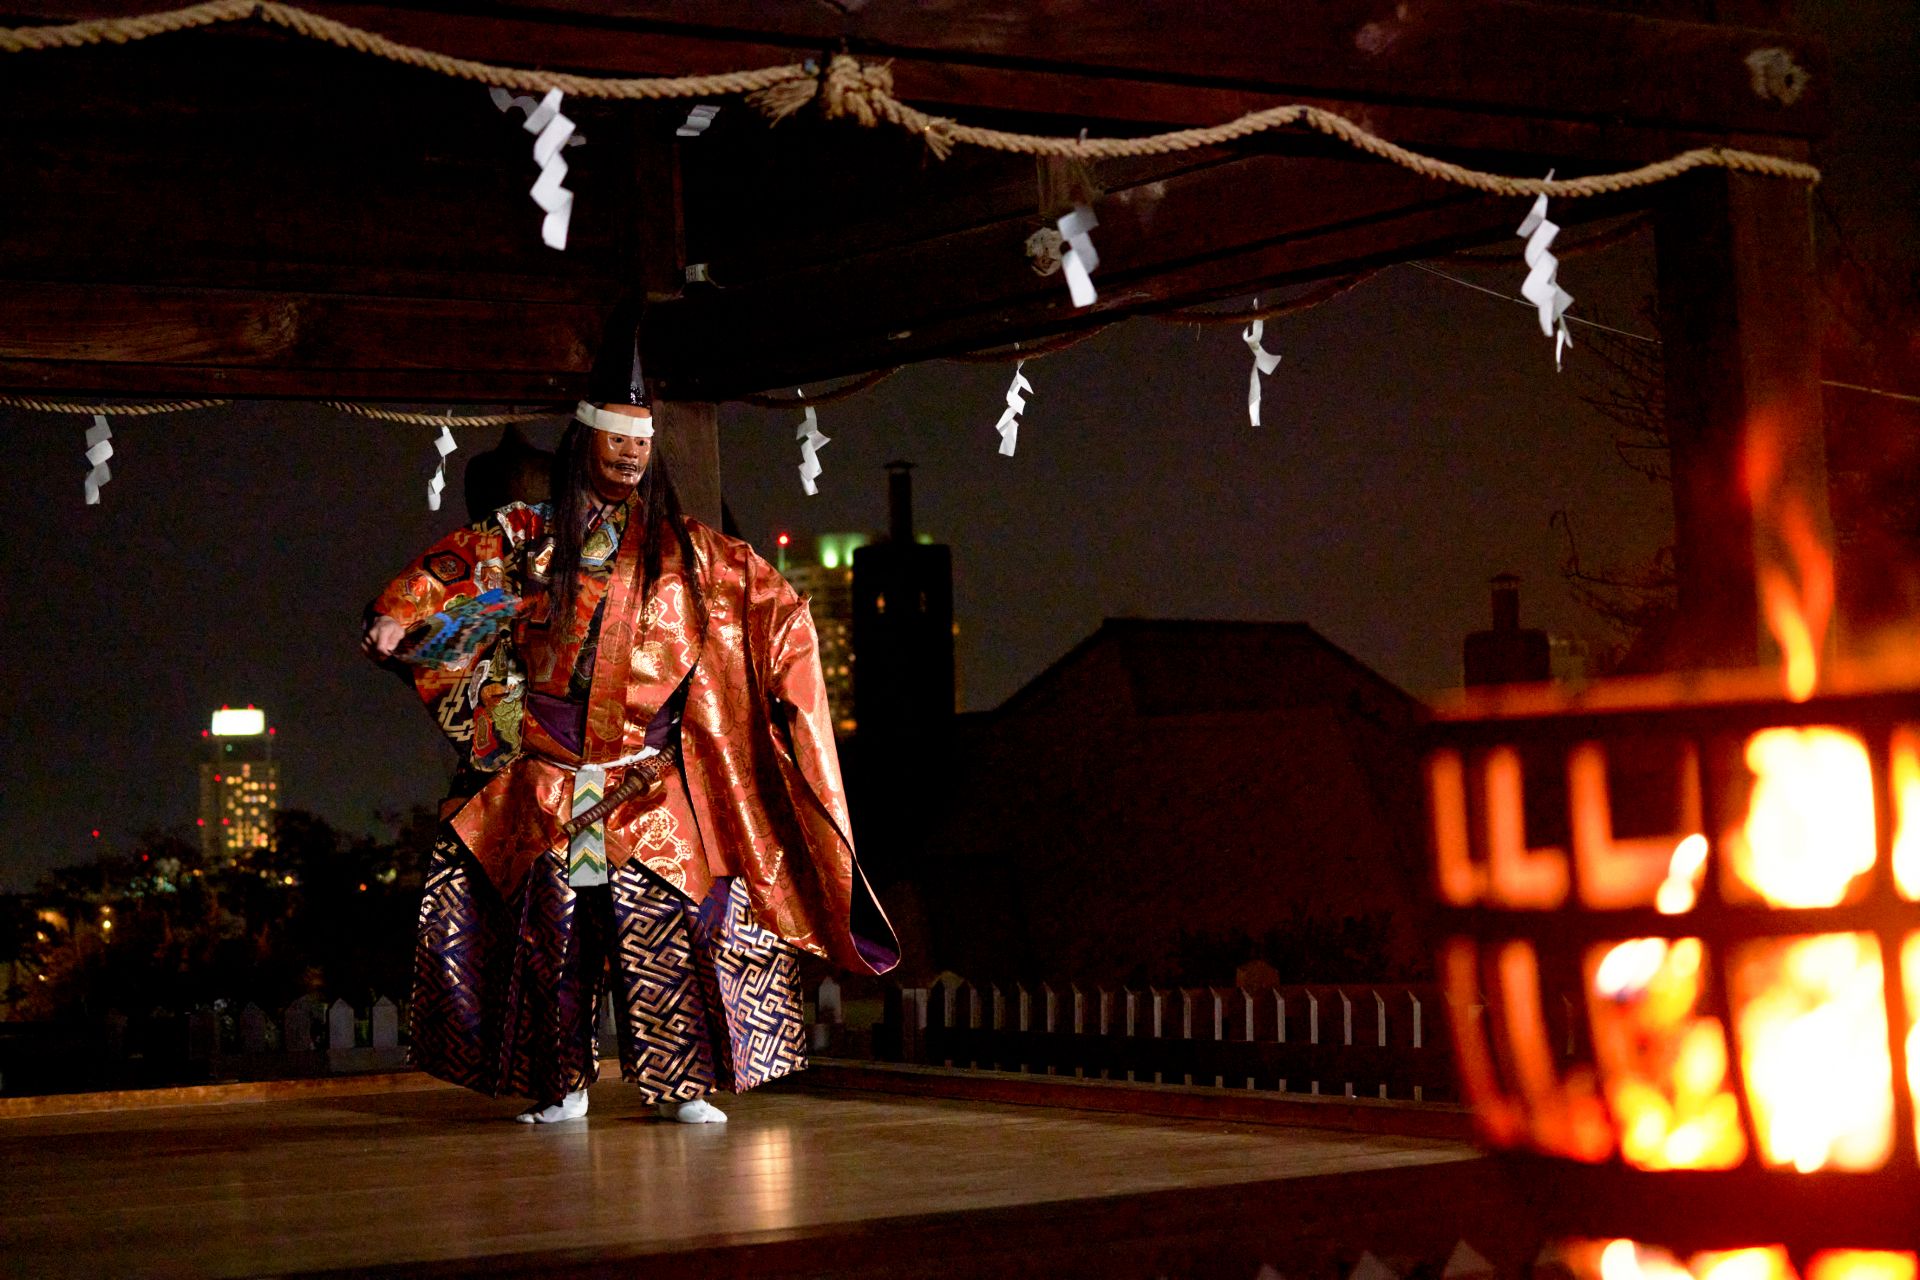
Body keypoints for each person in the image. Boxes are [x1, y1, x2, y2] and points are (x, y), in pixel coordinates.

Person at [363, 304, 897, 1124]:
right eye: (616, 442)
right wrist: (401, 614)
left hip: (649, 783)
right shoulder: (529, 537)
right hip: (551, 783)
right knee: (560, 936)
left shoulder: (691, 553)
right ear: (585, 445)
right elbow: (449, 569)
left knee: (671, 932)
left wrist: (788, 642)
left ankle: (679, 1084)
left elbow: (775, 604)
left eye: (641, 445)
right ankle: (564, 1083)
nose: (628, 455)